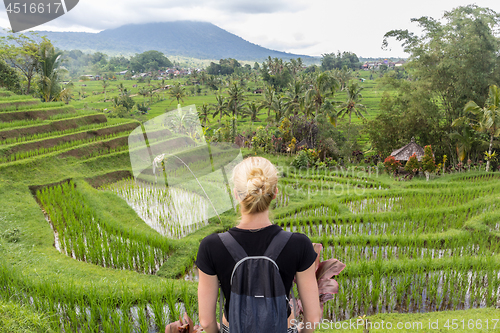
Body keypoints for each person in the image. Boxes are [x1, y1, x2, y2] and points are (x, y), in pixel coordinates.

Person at [196, 156, 322, 333]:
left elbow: (206, 321)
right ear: (275, 193)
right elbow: (313, 319)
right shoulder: (299, 244)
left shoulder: (211, 246)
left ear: (236, 194)